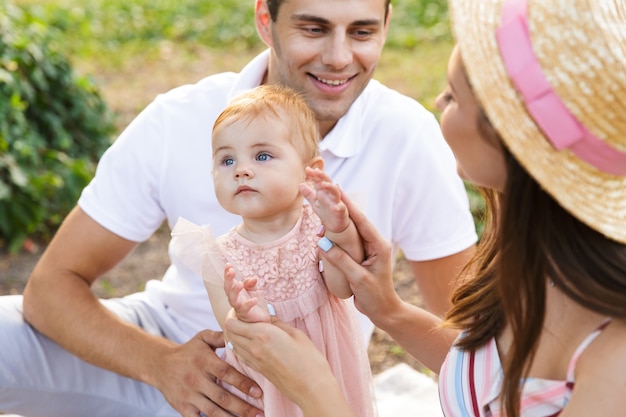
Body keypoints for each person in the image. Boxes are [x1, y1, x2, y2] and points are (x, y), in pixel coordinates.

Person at [0, 0, 477, 415]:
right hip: (156, 347)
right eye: (313, 28)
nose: (338, 57)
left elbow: (471, 334)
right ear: (265, 20)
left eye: (362, 31)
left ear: (388, 24)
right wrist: (162, 364)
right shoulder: (179, 116)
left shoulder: (408, 135)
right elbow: (50, 289)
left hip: (293, 391)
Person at [222, 0, 626, 416]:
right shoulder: (546, 257)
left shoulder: (615, 360)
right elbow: (496, 378)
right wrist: (388, 309)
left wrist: (316, 389)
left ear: (504, 130)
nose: (437, 100)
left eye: (452, 95)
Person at [170, 84, 375, 417]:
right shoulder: (217, 254)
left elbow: (342, 287)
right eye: (227, 160)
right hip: (264, 376)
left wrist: (340, 229)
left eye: (262, 156)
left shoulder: (317, 226)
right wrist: (244, 314)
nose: (242, 169)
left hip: (324, 362)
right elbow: (231, 328)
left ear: (312, 171)